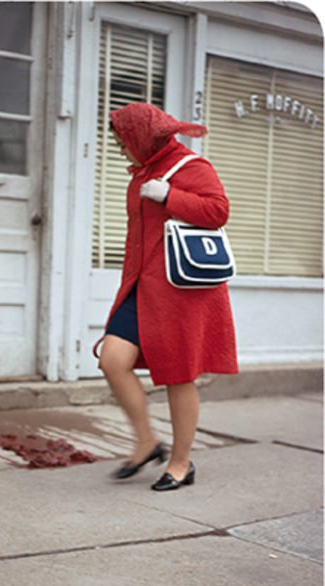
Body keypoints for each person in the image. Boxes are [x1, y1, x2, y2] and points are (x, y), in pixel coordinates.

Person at [96, 103, 238, 491]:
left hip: (179, 291)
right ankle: (146, 442)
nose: (122, 150)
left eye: (124, 143)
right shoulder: (143, 171)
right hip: (142, 286)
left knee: (178, 375)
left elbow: (218, 211)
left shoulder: (191, 167)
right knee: (112, 360)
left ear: (143, 137)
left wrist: (169, 195)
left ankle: (180, 463)